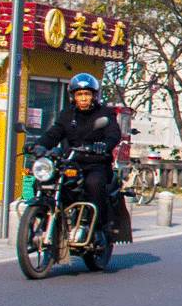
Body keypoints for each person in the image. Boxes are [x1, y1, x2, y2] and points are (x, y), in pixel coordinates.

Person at [36, 73, 122, 241]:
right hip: (71, 163)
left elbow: (113, 134)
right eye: (80, 94)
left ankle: (95, 226)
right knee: (44, 181)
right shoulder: (66, 114)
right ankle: (44, 219)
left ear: (94, 96)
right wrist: (40, 145)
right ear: (73, 96)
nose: (83, 98)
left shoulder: (104, 113)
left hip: (96, 164)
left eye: (87, 94)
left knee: (94, 183)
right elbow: (54, 133)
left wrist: (103, 145)